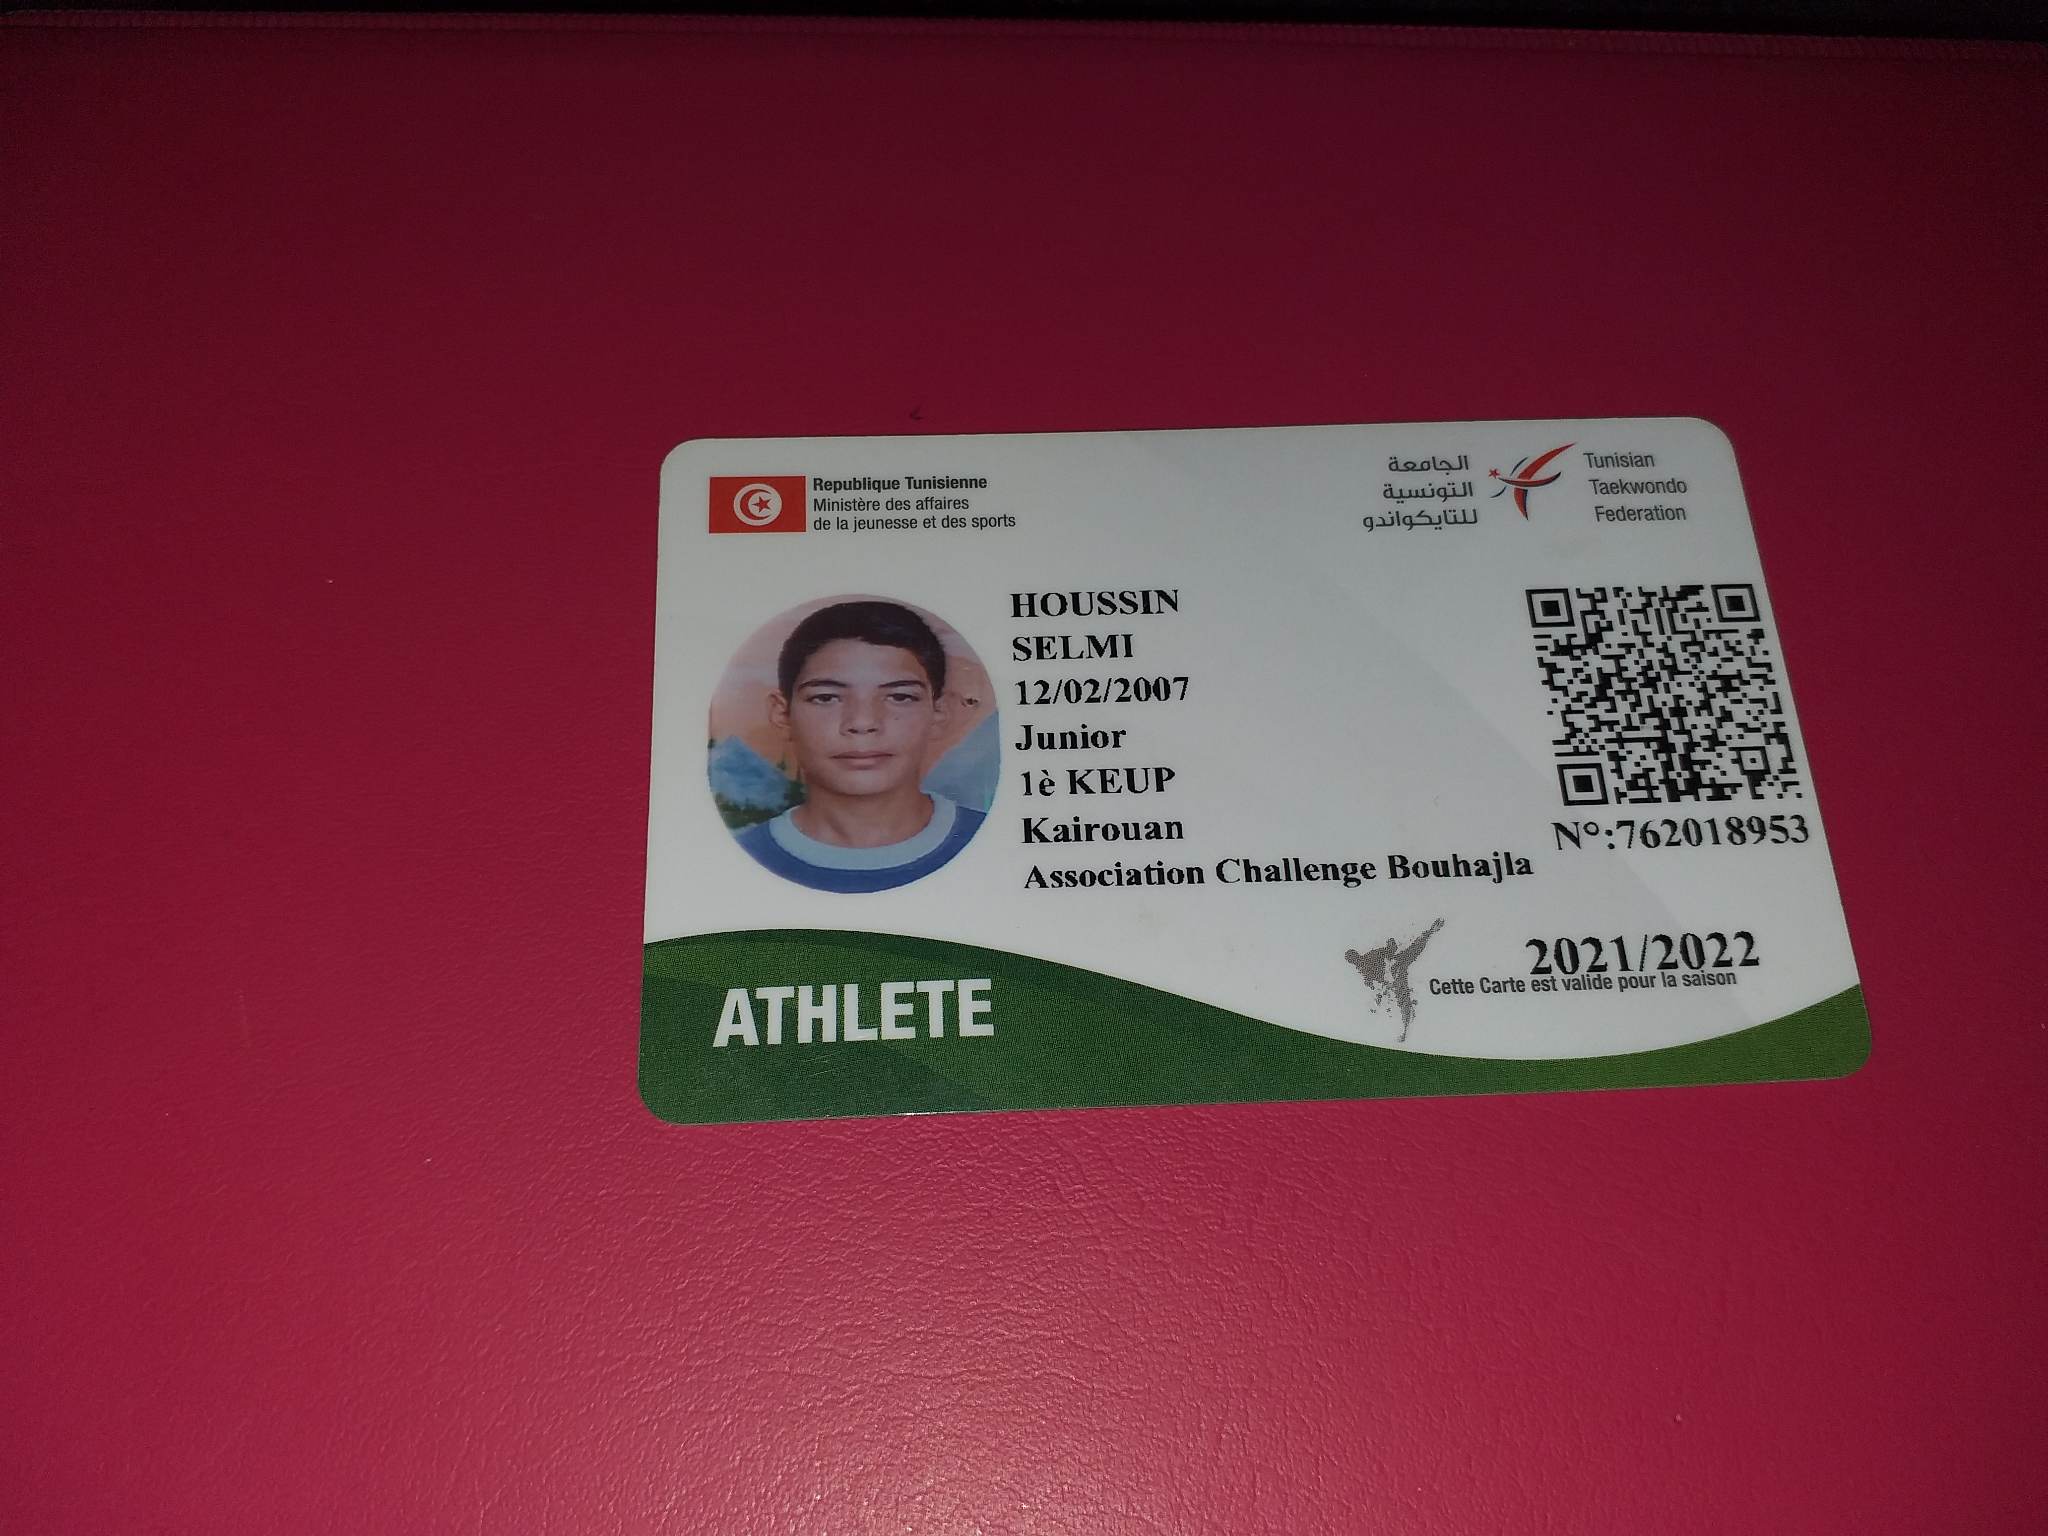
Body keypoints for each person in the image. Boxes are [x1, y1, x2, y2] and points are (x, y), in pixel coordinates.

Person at [734, 600, 986, 892]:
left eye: (900, 697)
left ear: (938, 713)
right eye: (826, 698)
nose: (863, 723)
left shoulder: (995, 841)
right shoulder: (736, 860)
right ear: (783, 714)